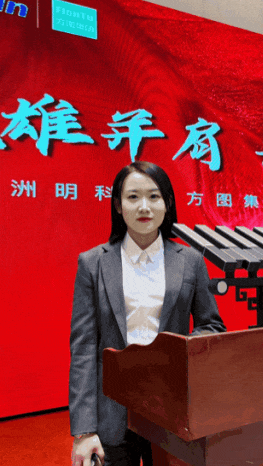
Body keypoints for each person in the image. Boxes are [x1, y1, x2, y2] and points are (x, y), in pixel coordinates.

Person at [69, 161, 226, 466]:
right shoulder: (92, 263)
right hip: (112, 411)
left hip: (171, 408)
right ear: (118, 205)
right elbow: (84, 348)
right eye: (133, 197)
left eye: (154, 196)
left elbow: (211, 325)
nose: (144, 206)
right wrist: (84, 431)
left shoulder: (191, 261)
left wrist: (177, 351)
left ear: (167, 204)